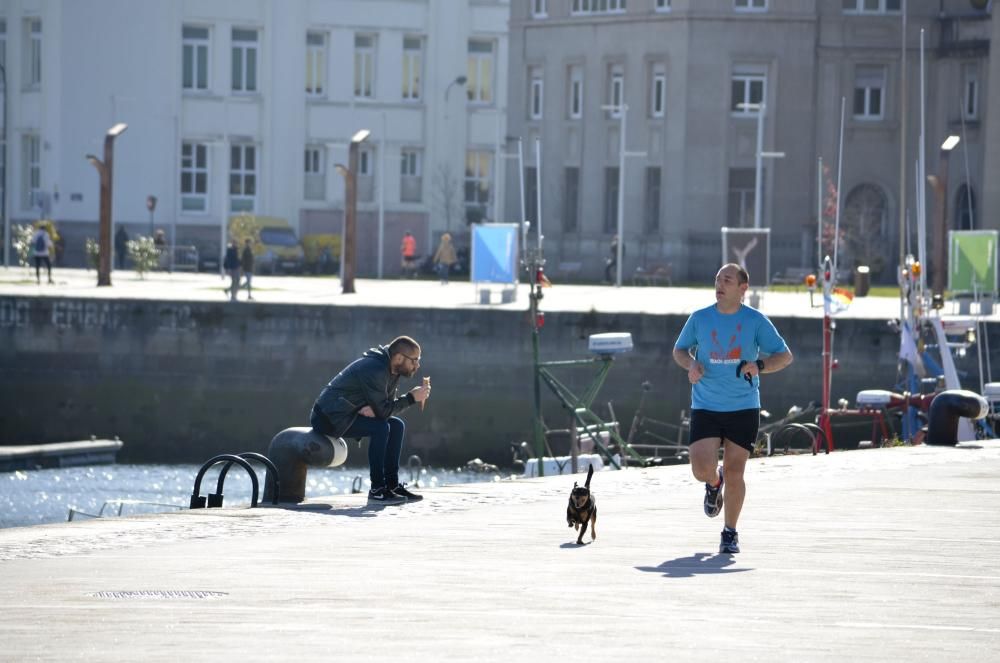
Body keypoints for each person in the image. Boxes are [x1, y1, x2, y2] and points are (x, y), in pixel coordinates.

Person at [671, 263, 793, 554]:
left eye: (727, 279)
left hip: (743, 406)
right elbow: (679, 350)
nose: (719, 284)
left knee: (737, 472)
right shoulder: (699, 319)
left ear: (742, 288)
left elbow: (784, 356)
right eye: (717, 279)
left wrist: (759, 365)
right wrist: (692, 364)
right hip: (706, 404)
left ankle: (730, 532)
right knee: (701, 468)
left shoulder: (756, 321)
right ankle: (714, 483)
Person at [309, 336, 431, 505]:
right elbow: (384, 411)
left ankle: (392, 486)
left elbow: (385, 408)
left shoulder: (392, 369)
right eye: (415, 360)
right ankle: (377, 489)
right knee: (381, 428)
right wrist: (411, 398)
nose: (417, 365)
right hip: (328, 417)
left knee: (396, 426)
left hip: (348, 412)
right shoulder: (376, 369)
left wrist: (377, 409)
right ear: (399, 358)